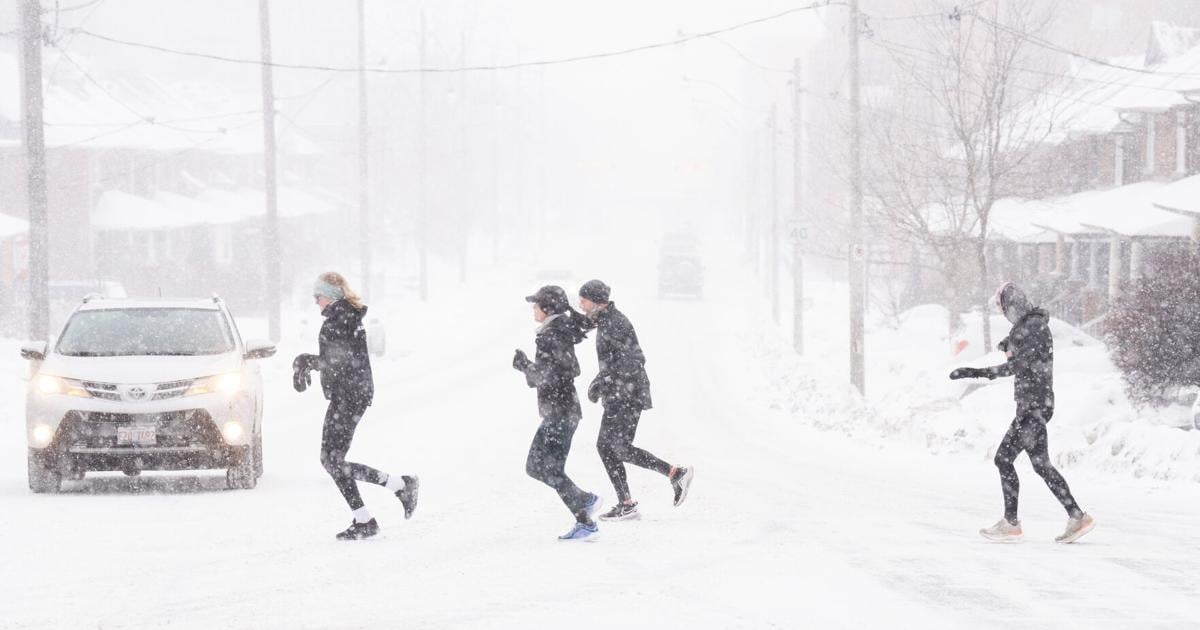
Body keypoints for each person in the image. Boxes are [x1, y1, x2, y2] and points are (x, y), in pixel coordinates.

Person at [950, 282, 1095, 544]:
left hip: (1033, 406)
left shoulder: (1032, 328)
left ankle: (1013, 523)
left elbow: (1018, 366)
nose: (1006, 315)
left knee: (1005, 459)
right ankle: (1074, 515)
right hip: (1035, 405)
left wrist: (977, 372)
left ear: (1013, 306)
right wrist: (1011, 343)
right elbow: (1024, 359)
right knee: (1039, 465)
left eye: (1005, 310)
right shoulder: (1032, 326)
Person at [293, 272, 418, 540]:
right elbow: (336, 360)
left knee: (331, 460)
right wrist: (309, 363)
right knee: (332, 460)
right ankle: (379, 504)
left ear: (331, 295)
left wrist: (306, 361)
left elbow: (336, 361)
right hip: (350, 394)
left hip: (349, 396)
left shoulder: (342, 318)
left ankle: (393, 492)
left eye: (319, 296)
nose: (316, 302)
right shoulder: (344, 316)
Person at [577, 280, 693, 521]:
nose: (581, 304)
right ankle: (663, 480)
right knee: (614, 447)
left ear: (597, 301)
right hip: (623, 394)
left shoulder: (614, 323)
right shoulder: (605, 319)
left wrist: (606, 379)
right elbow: (585, 328)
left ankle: (651, 488)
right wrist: (603, 380)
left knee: (613, 447)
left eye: (584, 300)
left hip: (627, 395)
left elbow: (635, 359)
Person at [513, 285, 603, 541]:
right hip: (563, 412)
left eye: (536, 304)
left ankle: (585, 512)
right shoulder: (557, 331)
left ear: (547, 308)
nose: (533, 309)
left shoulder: (552, 335)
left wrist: (524, 365)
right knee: (545, 468)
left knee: (541, 467)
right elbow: (560, 371)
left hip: (560, 413)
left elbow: (545, 376)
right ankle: (585, 507)